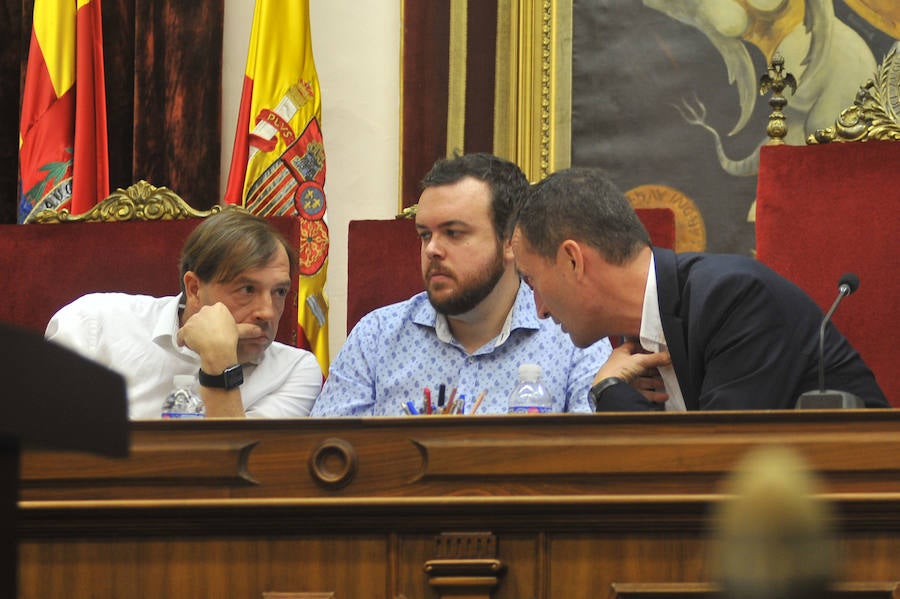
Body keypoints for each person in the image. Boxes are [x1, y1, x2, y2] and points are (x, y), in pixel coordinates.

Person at [510, 167, 889, 411]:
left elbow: (713, 463)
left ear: (573, 260)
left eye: (532, 281)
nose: (539, 309)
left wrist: (608, 390)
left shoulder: (735, 299)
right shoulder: (639, 342)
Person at [311, 154, 613, 416]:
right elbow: (324, 458)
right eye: (425, 235)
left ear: (512, 241)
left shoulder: (574, 339)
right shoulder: (376, 337)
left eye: (453, 233)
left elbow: (592, 469)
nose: (432, 250)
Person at [45, 208, 323, 418]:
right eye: (247, 289)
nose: (268, 312)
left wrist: (219, 362)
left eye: (279, 292)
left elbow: (240, 474)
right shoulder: (94, 324)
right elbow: (48, 450)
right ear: (193, 289)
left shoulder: (295, 371)